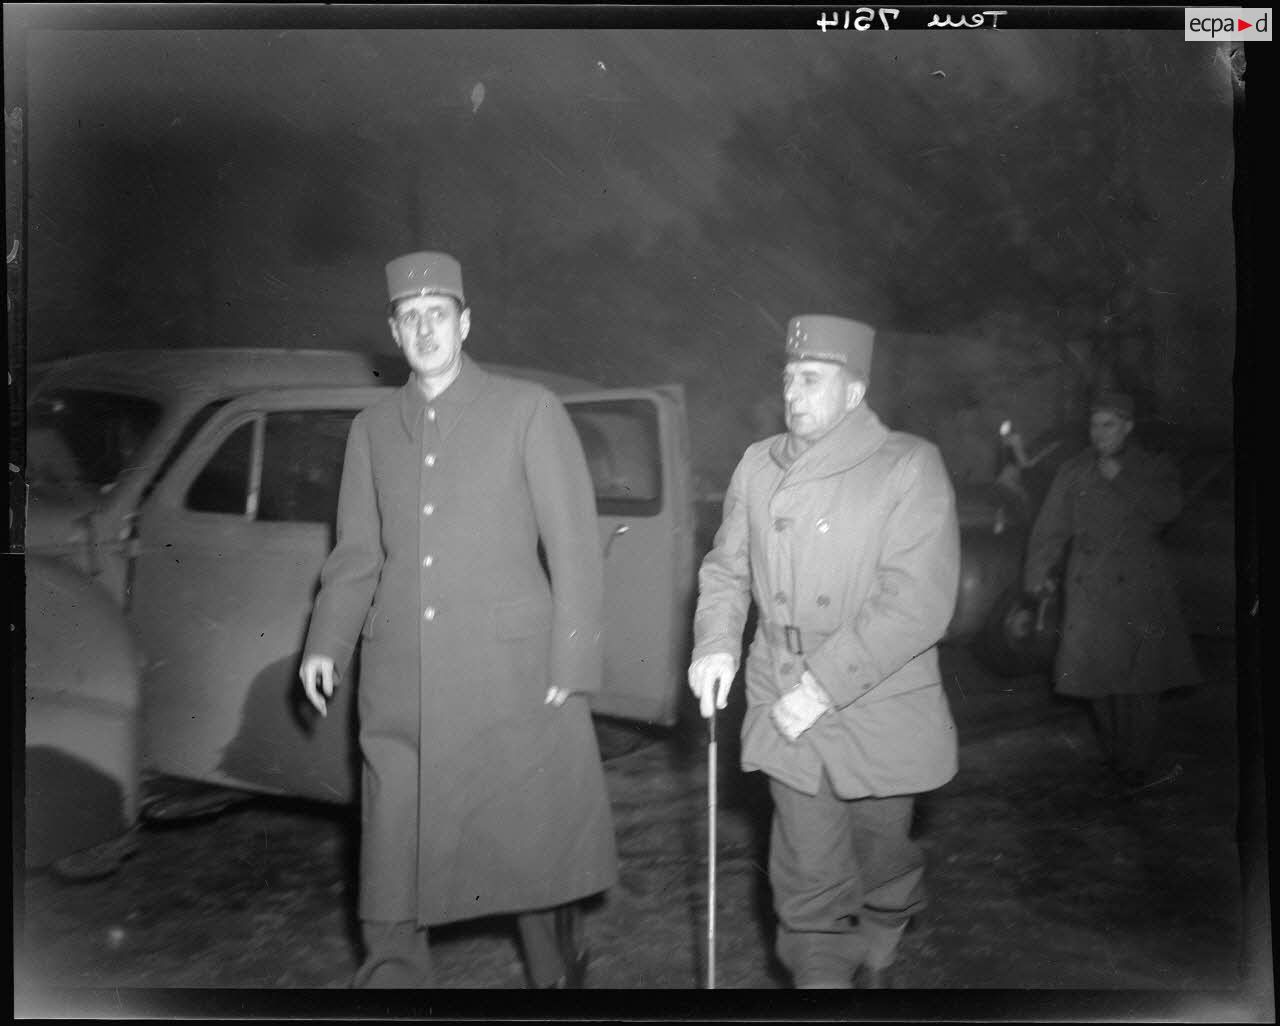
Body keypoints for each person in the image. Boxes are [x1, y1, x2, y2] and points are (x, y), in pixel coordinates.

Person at [299, 251, 617, 988]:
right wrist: (326, 644)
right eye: (409, 318)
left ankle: (559, 983)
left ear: (465, 323)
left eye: (436, 314)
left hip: (509, 679)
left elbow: (573, 546)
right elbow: (357, 555)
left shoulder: (527, 409)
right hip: (401, 686)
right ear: (394, 332)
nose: (424, 328)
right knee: (392, 860)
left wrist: (572, 663)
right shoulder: (372, 430)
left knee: (532, 856)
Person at [688, 315, 961, 989]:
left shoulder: (907, 464)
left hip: (873, 699)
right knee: (808, 885)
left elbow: (917, 602)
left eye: (812, 378)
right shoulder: (759, 464)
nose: (794, 392)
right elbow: (727, 569)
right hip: (782, 697)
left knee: (882, 861)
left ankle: (886, 923)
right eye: (788, 378)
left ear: (855, 390)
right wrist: (716, 644)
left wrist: (822, 688)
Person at [1022, 390, 1199, 789]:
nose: (1099, 434)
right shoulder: (1073, 470)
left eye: (1109, 425)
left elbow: (1168, 509)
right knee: (1093, 680)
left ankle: (1134, 766)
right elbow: (1050, 526)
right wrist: (1038, 574)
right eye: (1094, 425)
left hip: (1138, 589)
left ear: (1128, 427)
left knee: (1139, 684)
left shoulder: (1152, 466)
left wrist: (1121, 478)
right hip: (1090, 588)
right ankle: (1118, 754)